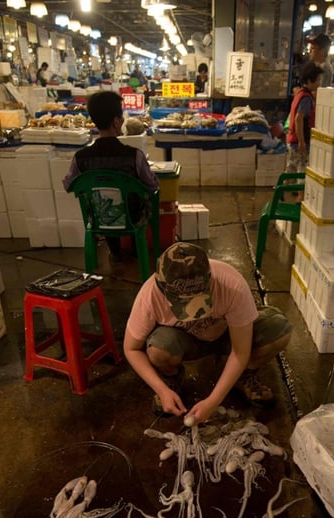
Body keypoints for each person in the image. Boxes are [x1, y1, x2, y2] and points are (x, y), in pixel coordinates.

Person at [124, 242, 292, 423]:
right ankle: (170, 379)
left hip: (228, 333)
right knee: (158, 349)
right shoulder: (150, 296)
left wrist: (213, 401)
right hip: (186, 340)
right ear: (161, 286)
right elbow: (131, 348)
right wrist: (160, 389)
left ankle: (244, 375)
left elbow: (240, 351)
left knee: (278, 329)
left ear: (209, 277)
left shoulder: (231, 284)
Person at [62, 90, 158, 261]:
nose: (122, 121)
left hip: (99, 220)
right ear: (115, 122)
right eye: (121, 117)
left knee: (105, 201)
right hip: (131, 219)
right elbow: (151, 186)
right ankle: (137, 251)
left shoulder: (80, 158)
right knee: (142, 200)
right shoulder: (134, 156)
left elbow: (68, 185)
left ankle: (115, 253)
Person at [285, 62, 322, 174]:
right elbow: (298, 119)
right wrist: (302, 141)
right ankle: (300, 191)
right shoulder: (306, 98)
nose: (319, 83)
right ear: (310, 81)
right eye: (318, 80)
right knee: (302, 169)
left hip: (293, 138)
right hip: (299, 140)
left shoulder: (300, 93)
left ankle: (284, 190)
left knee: (291, 168)